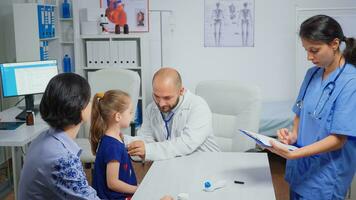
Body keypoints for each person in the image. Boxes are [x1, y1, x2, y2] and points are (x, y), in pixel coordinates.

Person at [268, 15, 356, 200]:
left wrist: (296, 153)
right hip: (300, 168)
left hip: (326, 175)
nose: (309, 57)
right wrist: (293, 135)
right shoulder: (312, 74)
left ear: (334, 44)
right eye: (306, 50)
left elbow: (338, 139)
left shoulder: (351, 82)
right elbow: (300, 112)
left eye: (314, 50)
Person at [18, 73, 100, 199]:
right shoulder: (61, 158)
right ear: (80, 109)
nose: (91, 105)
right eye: (89, 100)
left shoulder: (44, 138)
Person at [127, 67, 220, 161]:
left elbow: (186, 144)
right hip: (174, 164)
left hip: (206, 165)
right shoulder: (151, 108)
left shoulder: (198, 106)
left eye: (167, 98)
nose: (161, 103)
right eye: (156, 96)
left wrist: (148, 150)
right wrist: (124, 141)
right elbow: (145, 140)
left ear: (181, 91)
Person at [90, 90, 138, 200]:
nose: (132, 115)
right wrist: (137, 189)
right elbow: (113, 183)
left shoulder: (114, 138)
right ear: (118, 116)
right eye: (130, 112)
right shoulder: (112, 146)